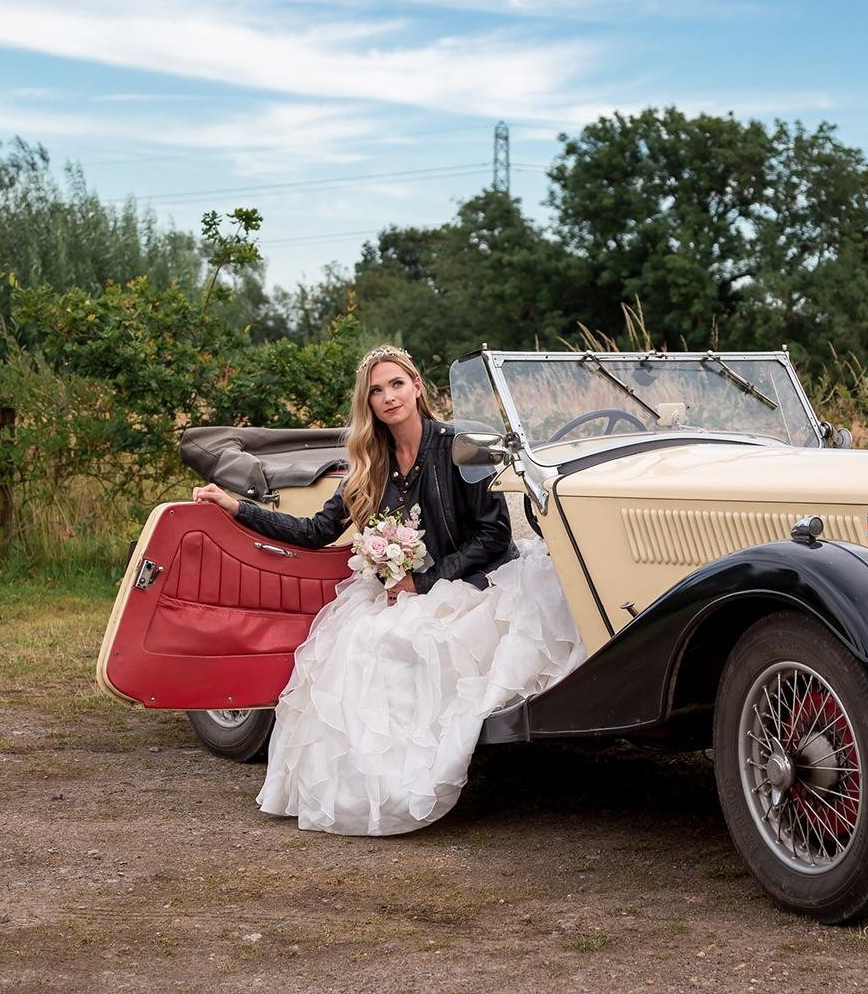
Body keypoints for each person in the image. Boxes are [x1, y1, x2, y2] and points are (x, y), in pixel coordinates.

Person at [191, 344, 585, 835]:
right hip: (403, 591)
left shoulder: (462, 445)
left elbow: (494, 536)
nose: (388, 396)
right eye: (376, 391)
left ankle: (418, 778)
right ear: (369, 404)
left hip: (475, 582)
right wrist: (236, 508)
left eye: (397, 384)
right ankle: (370, 789)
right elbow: (316, 531)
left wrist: (423, 580)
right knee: (354, 645)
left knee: (405, 641)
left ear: (417, 386)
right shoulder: (369, 463)